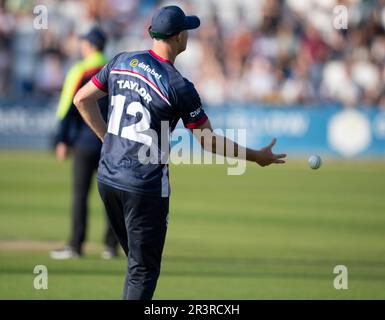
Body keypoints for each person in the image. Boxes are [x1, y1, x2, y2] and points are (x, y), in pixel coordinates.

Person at [73, 6, 286, 299]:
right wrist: (257, 157)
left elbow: (81, 99)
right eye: (186, 29)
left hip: (108, 178)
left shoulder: (122, 61)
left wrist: (108, 139)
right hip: (144, 187)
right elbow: (208, 141)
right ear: (178, 37)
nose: (188, 34)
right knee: (143, 270)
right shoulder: (178, 85)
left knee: (136, 265)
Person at [50, 27, 119, 260]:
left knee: (80, 195)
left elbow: (67, 107)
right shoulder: (115, 69)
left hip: (83, 142)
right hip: (111, 143)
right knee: (111, 196)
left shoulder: (80, 70)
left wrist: (61, 139)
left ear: (89, 46)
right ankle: (111, 247)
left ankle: (75, 246)